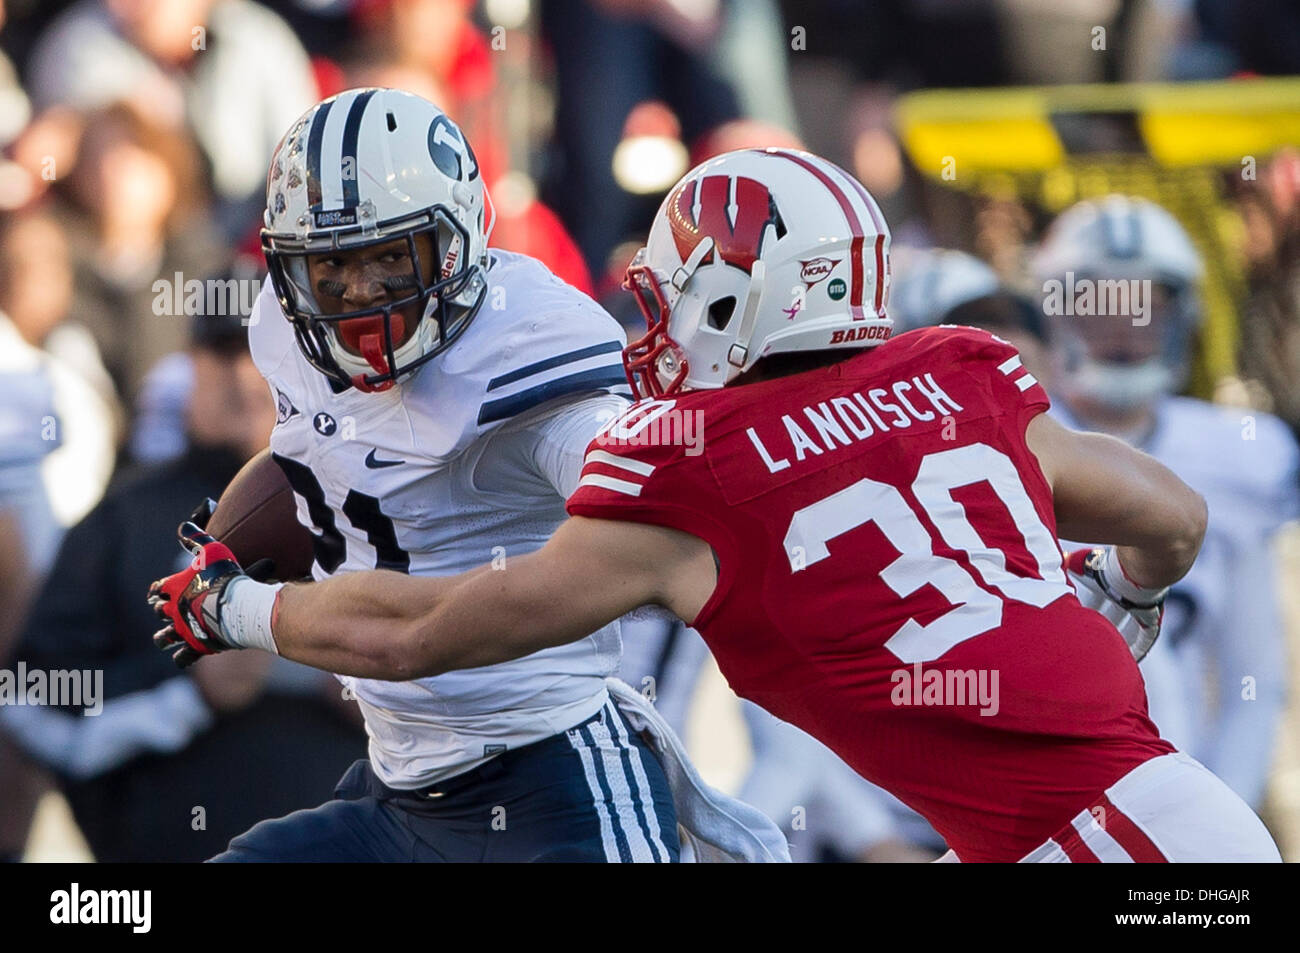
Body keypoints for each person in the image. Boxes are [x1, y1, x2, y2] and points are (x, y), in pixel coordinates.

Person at [151, 147, 1279, 863]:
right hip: (1144, 819)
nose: (648, 323)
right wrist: (1118, 595)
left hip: (1106, 841)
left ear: (742, 298)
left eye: (673, 291)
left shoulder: (690, 470)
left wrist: (234, 606)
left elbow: (418, 631)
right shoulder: (956, 374)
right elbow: (1171, 518)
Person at [152, 88, 783, 863]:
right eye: (333, 268)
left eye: (390, 258)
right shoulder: (283, 330)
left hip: (555, 788)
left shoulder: (528, 353)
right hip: (396, 792)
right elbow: (323, 451)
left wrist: (239, 609)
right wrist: (244, 535)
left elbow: (613, 481)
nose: (360, 298)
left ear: (457, 244)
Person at [2, 288, 366, 861]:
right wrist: (188, 693)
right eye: (228, 351)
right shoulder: (122, 519)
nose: (248, 375)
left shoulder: (374, 506)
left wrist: (382, 687)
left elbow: (486, 676)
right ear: (190, 364)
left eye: (271, 354)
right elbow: (30, 700)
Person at [1033, 195, 1300, 811]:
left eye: (1147, 305)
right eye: (1098, 304)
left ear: (1185, 316)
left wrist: (1217, 818)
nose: (1124, 327)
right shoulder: (1011, 439)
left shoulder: (1238, 451)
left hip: (1192, 774)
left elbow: (1253, 680)